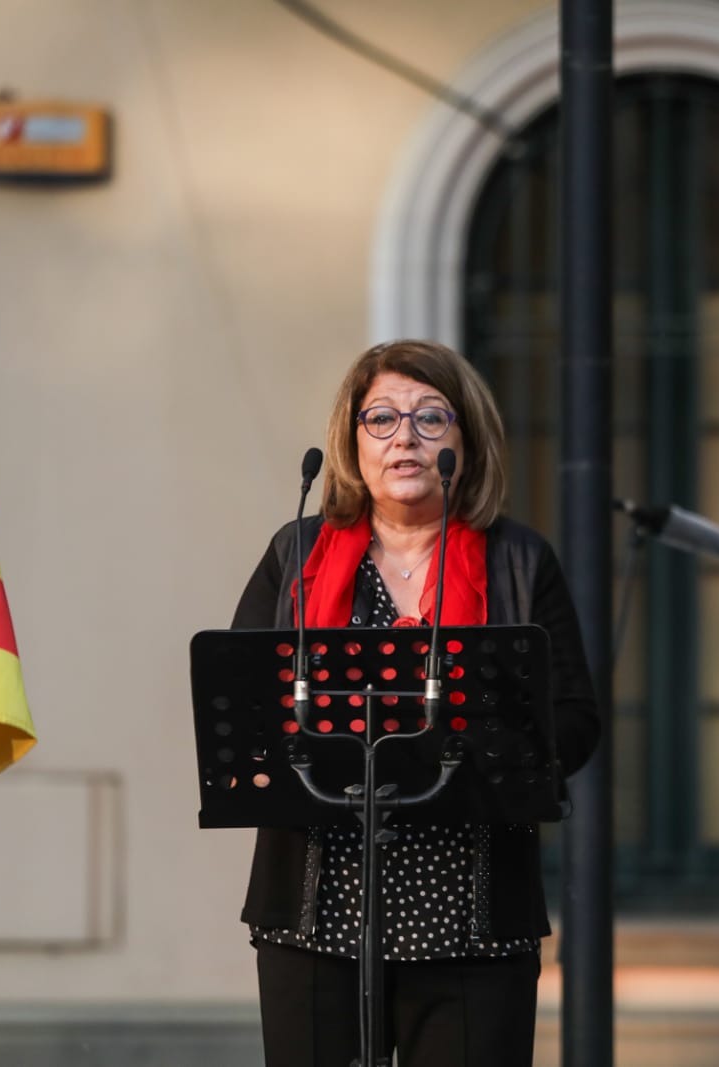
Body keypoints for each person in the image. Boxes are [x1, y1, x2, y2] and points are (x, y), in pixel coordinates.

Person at [231, 339, 600, 1067]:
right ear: (351, 439)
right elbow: (246, 703)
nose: (406, 437)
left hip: (471, 913)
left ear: (466, 439)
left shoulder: (519, 560)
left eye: (432, 418)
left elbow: (575, 718)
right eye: (382, 419)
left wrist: (482, 738)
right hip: (318, 907)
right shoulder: (295, 555)